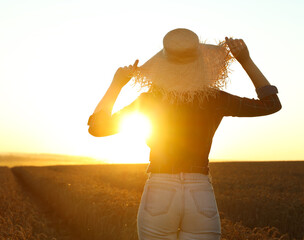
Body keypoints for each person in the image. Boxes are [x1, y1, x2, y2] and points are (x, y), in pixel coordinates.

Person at [87, 28, 281, 240]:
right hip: (200, 191)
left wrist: (116, 83)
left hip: (159, 189)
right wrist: (245, 61)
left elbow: (98, 127)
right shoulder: (213, 99)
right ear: (201, 64)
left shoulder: (150, 100)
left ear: (162, 66)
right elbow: (271, 105)